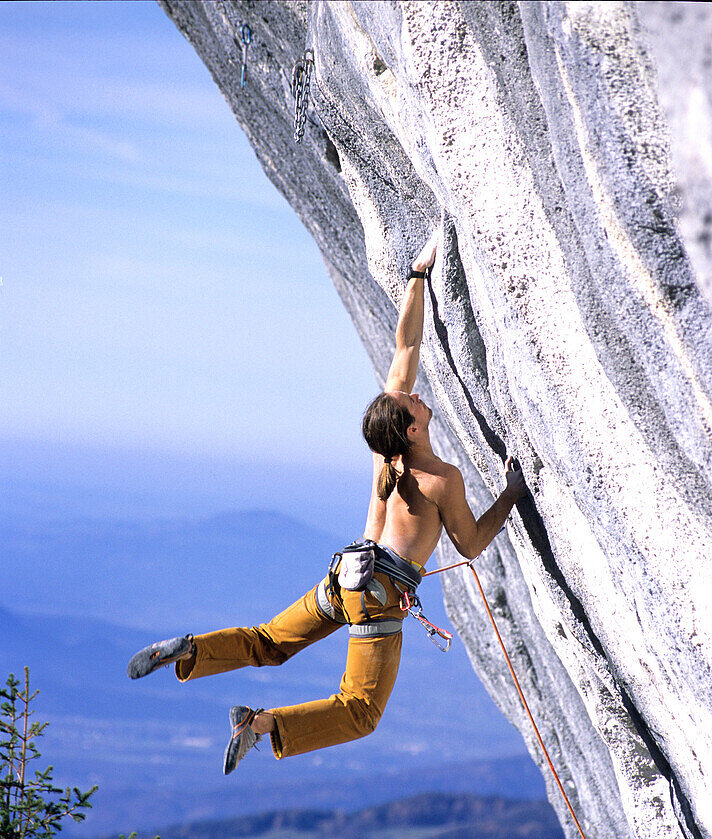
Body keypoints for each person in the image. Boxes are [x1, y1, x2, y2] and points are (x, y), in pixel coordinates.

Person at [127, 231, 526, 774]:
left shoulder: (387, 454)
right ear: (410, 428)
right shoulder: (440, 478)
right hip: (376, 596)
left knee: (268, 641)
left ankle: (190, 649)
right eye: (411, 401)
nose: (414, 395)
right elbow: (473, 544)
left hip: (346, 576)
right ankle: (260, 724)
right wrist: (513, 493)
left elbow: (406, 349)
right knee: (360, 712)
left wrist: (418, 273)